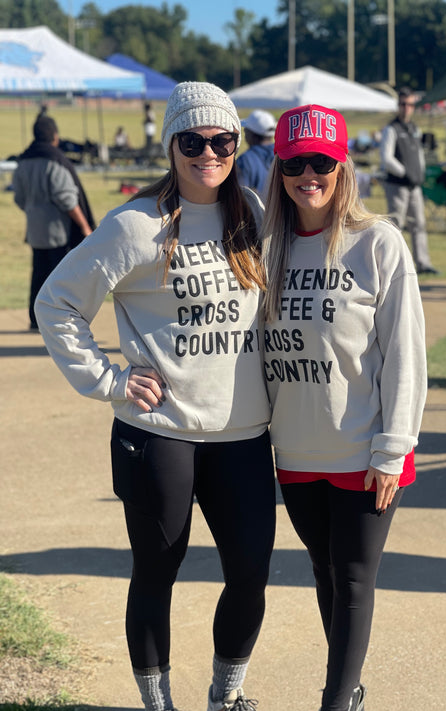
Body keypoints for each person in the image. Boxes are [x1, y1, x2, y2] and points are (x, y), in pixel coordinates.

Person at [35, 82, 276, 711]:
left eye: (222, 141)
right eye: (192, 141)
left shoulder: (249, 208)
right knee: (156, 573)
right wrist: (110, 379)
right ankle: (158, 703)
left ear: (236, 145)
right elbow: (56, 302)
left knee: (250, 575)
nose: (208, 153)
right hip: (159, 433)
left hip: (243, 435)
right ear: (171, 145)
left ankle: (226, 697)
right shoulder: (136, 224)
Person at [261, 104, 427, 711]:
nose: (309, 174)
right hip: (297, 451)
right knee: (326, 574)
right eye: (295, 162)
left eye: (322, 161)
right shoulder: (266, 249)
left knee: (354, 577)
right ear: (278, 170)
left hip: (367, 452)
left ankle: (334, 702)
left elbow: (405, 354)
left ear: (343, 166)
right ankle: (349, 689)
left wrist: (393, 448)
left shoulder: (377, 243)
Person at [12, 115, 95, 331]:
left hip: (35, 229)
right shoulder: (54, 161)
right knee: (58, 277)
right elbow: (67, 199)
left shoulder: (23, 161)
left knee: (38, 273)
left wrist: (34, 212)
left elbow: (19, 198)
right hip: (57, 230)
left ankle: (34, 318)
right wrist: (85, 226)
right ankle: (54, 320)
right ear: (54, 136)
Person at [380, 86, 439, 275]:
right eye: (404, 104)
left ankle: (423, 262)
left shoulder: (415, 128)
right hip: (398, 185)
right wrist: (404, 172)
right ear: (398, 105)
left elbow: (419, 154)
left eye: (411, 104)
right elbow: (386, 158)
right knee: (397, 225)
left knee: (419, 224)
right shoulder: (391, 129)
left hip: (414, 185)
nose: (407, 108)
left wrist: (419, 173)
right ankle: (394, 264)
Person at [236, 109, 277, 200]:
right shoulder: (282, 155)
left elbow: (240, 195)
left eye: (246, 130)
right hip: (278, 213)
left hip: (255, 213)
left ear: (251, 134)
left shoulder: (245, 160)